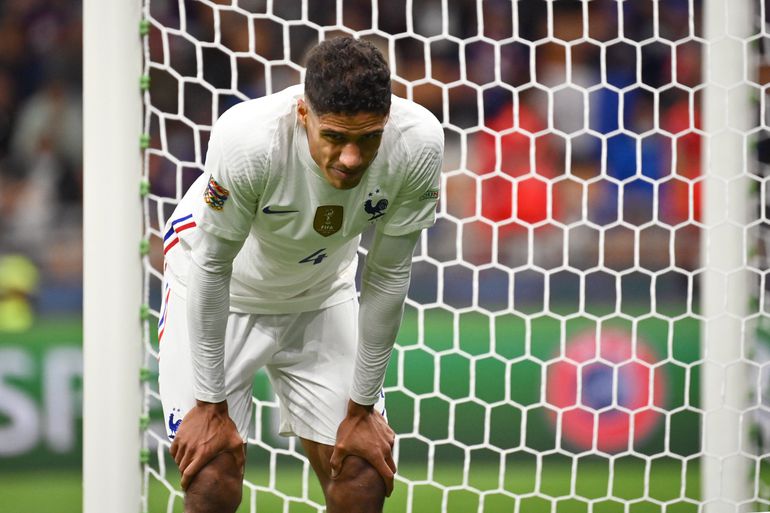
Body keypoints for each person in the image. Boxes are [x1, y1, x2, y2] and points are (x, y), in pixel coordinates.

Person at [158, 36, 444, 513]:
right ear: (303, 114)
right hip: (220, 292)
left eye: (368, 138)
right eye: (334, 137)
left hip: (322, 291)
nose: (351, 158)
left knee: (362, 473)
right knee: (211, 475)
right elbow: (212, 265)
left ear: (387, 119)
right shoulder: (249, 140)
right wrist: (208, 406)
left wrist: (362, 408)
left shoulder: (417, 144)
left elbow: (388, 275)